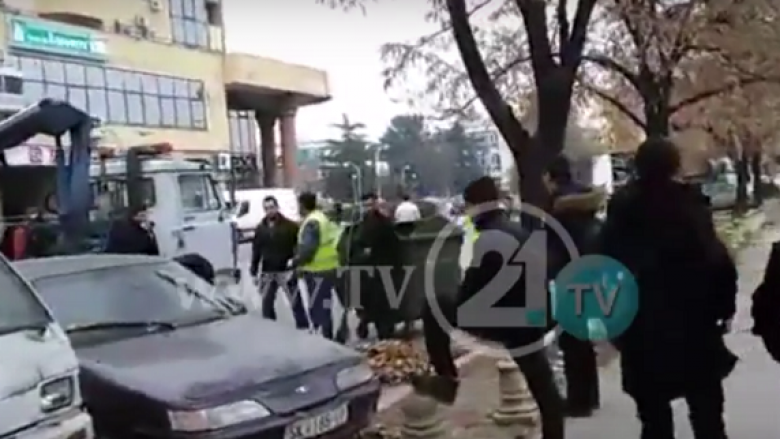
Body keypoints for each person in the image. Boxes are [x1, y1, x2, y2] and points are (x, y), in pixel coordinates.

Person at [601, 137, 737, 439]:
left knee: (654, 421)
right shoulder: (690, 205)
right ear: (675, 165)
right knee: (708, 417)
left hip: (642, 328)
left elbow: (606, 270)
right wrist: (724, 309)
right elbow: (717, 260)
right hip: (694, 324)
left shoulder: (622, 210)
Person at [414, 176, 565, 439]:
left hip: (504, 319)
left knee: (436, 305)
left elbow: (471, 289)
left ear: (475, 205)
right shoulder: (519, 231)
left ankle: (447, 378)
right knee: (543, 386)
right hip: (532, 317)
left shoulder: (488, 237)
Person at [544, 156, 605, 417]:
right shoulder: (585, 200)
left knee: (571, 342)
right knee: (583, 338)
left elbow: (553, 248)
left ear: (550, 177)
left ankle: (579, 401)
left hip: (568, 276)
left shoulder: (558, 208)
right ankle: (591, 395)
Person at [353, 192, 404, 340]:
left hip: (381, 269)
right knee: (374, 302)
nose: (367, 208)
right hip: (373, 270)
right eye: (365, 205)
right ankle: (372, 326)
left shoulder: (379, 223)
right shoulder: (368, 222)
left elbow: (371, 245)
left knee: (380, 304)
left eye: (370, 204)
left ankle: (382, 333)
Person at [249, 196, 305, 326]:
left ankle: (303, 326)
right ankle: (270, 327)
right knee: (267, 303)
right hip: (267, 271)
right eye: (267, 208)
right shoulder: (260, 228)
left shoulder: (290, 226)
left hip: (286, 270)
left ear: (277, 207)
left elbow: (298, 247)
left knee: (295, 301)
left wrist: (296, 264)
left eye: (272, 207)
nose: (270, 211)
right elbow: (256, 250)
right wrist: (254, 270)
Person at [291, 192, 340, 339]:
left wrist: (296, 261)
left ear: (303, 205)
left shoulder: (312, 222)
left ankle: (325, 338)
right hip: (329, 267)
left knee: (319, 306)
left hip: (317, 270)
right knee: (325, 304)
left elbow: (308, 248)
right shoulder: (321, 217)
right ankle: (327, 333)